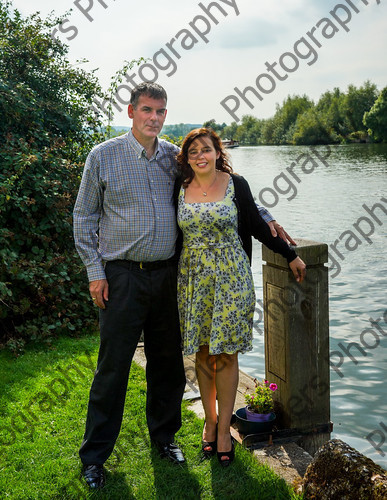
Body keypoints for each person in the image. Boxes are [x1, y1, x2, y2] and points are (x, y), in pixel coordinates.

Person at [73, 82, 298, 488]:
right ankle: (94, 457)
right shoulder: (102, 157)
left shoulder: (171, 158)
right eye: (147, 110)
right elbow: (83, 218)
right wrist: (95, 272)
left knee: (168, 366)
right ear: (131, 112)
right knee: (112, 369)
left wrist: (266, 217)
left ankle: (165, 438)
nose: (154, 118)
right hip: (121, 275)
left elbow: (220, 185)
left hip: (169, 277)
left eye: (160, 111)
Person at [175, 128, 306, 467]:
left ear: (218, 153)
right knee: (203, 353)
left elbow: (257, 226)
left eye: (206, 149)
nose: (200, 156)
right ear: (186, 158)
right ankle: (210, 420)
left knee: (226, 355)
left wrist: (289, 253)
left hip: (232, 280)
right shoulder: (179, 186)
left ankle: (223, 433)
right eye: (193, 152)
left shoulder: (237, 185)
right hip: (194, 282)